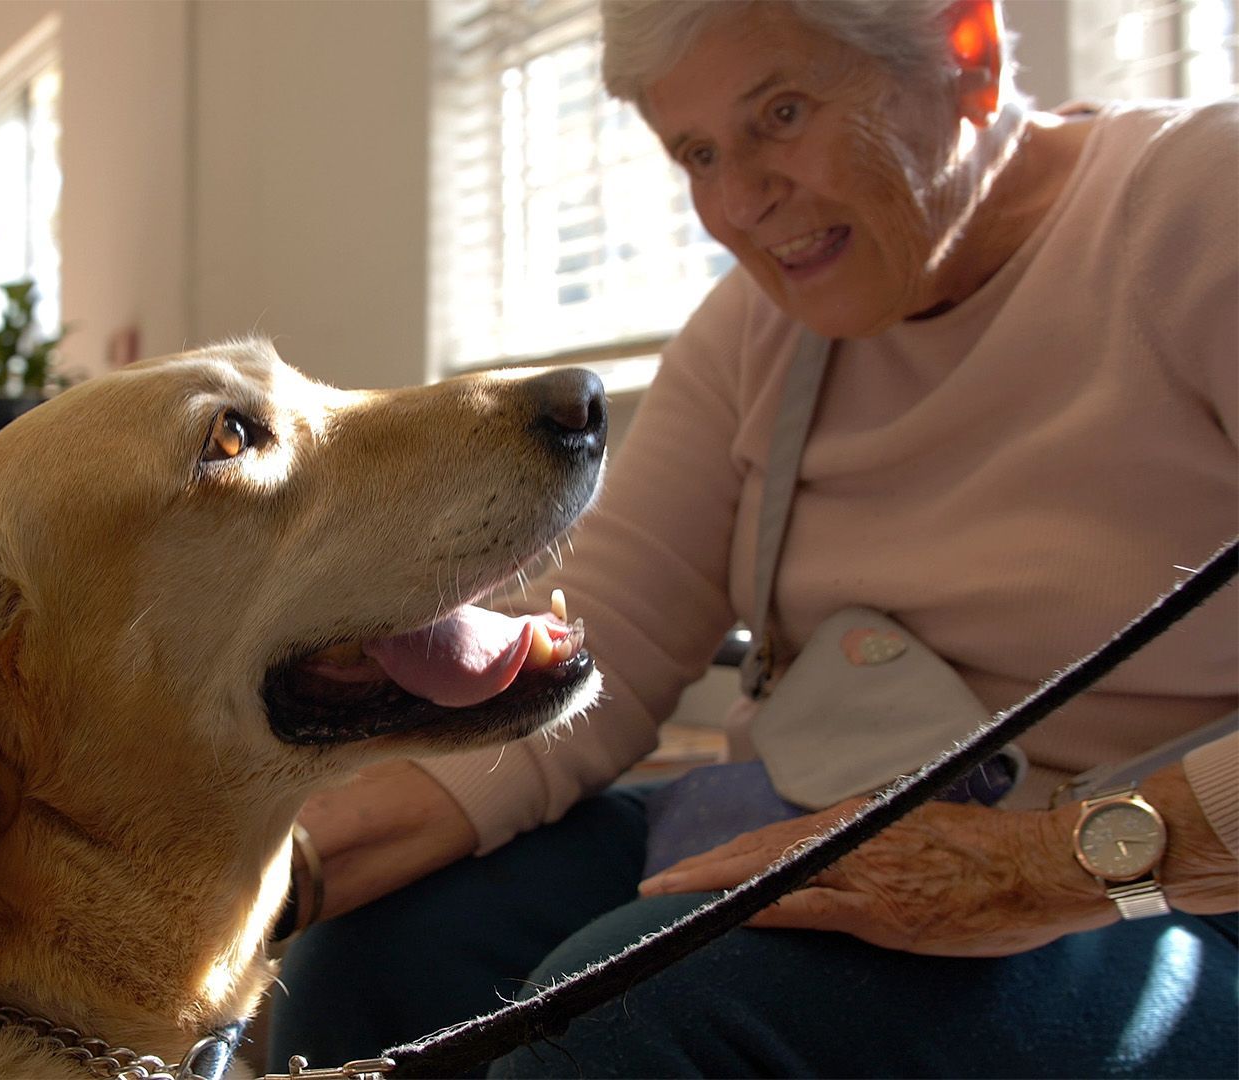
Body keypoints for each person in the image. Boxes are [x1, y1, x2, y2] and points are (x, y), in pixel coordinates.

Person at [268, 2, 1238, 1076]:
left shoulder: (1199, 205)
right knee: (377, 962)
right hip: (836, 800)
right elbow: (611, 648)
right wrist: (282, 877)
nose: (734, 204)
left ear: (967, 51)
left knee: (623, 1019)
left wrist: (1050, 863)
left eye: (781, 113)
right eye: (696, 153)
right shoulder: (754, 333)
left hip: (1168, 884)